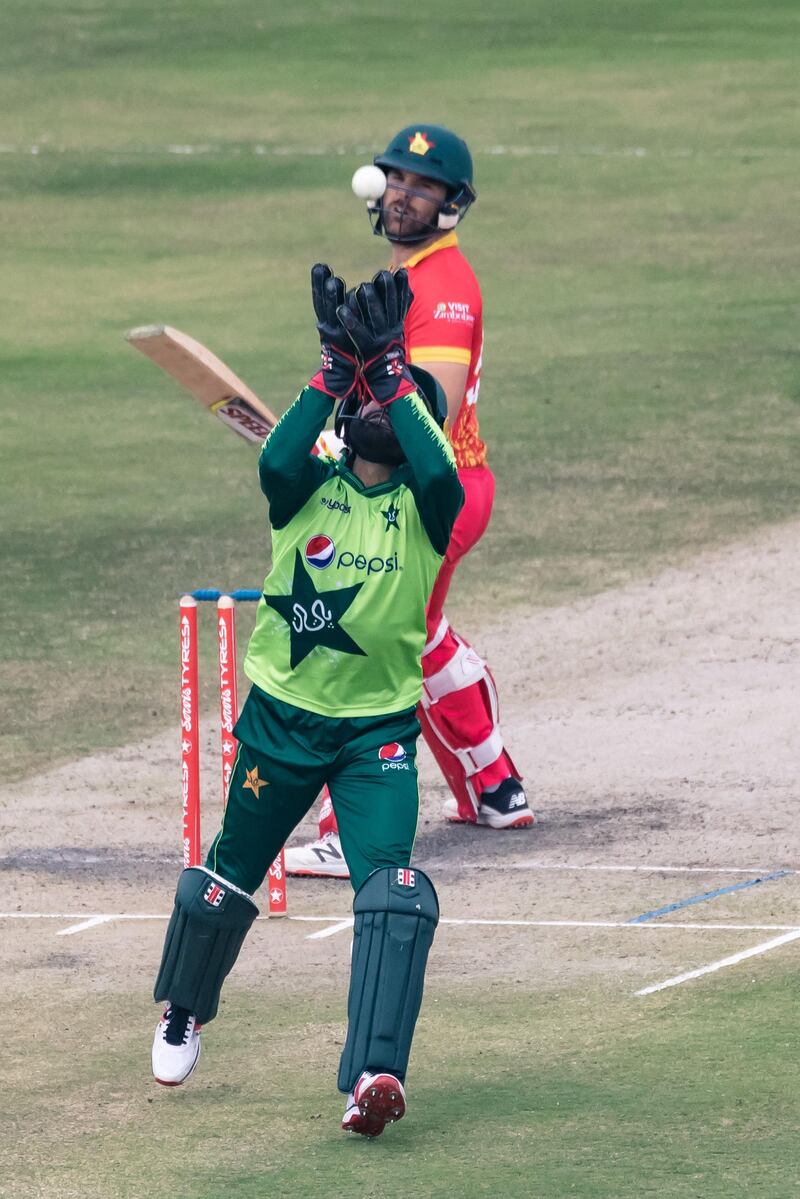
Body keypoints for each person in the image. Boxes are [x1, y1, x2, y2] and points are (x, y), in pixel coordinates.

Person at [151, 265, 463, 1139]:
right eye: (364, 395)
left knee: (395, 896)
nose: (371, 403)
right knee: (224, 881)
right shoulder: (305, 488)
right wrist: (335, 369)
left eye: (388, 398)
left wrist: (393, 373)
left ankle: (374, 1073)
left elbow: (442, 469)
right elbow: (281, 454)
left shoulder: (427, 510)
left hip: (377, 737)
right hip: (284, 720)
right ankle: (184, 1007)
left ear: (411, 419)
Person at [285, 123, 533, 881]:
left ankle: (343, 829)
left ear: (453, 202)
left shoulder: (447, 289)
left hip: (434, 496)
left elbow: (429, 411)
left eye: (422, 186)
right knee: (420, 633)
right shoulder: (410, 279)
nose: (402, 194)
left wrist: (342, 446)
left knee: (360, 632)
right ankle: (495, 785)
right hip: (433, 490)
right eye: (396, 178)